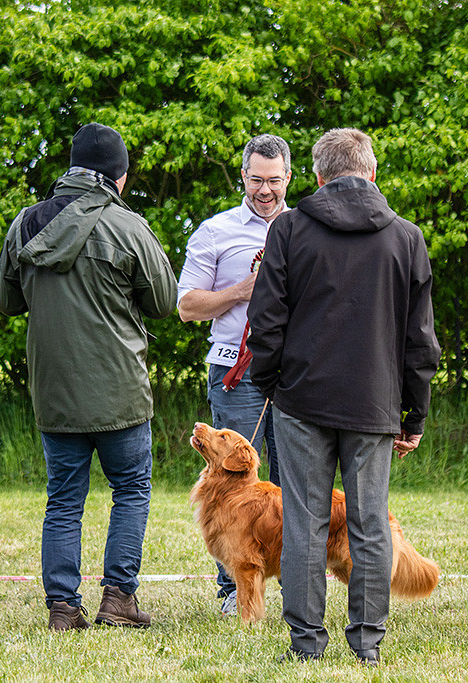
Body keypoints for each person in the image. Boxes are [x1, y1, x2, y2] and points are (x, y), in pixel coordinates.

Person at [248, 128, 440, 665]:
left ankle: (305, 644)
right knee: (370, 522)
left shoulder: (288, 230)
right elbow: (420, 339)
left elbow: (266, 322)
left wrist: (271, 385)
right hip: (375, 404)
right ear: (372, 172)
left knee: (304, 522)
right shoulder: (406, 237)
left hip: (301, 400)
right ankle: (367, 644)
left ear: (316, 176)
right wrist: (414, 411)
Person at [0, 123, 177, 631]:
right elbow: (164, 303)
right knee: (132, 489)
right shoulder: (129, 226)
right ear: (118, 177)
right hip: (120, 392)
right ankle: (118, 599)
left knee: (64, 499)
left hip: (54, 395)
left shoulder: (25, 225)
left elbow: (5, 303)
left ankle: (62, 606)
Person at [176, 133, 290, 615]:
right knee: (232, 484)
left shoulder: (307, 227)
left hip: (296, 371)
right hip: (234, 370)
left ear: (289, 178)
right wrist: (242, 290)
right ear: (243, 176)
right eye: (256, 180)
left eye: (274, 180)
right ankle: (232, 592)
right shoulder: (215, 231)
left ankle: (293, 585)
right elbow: (187, 305)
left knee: (294, 482)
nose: (265, 190)